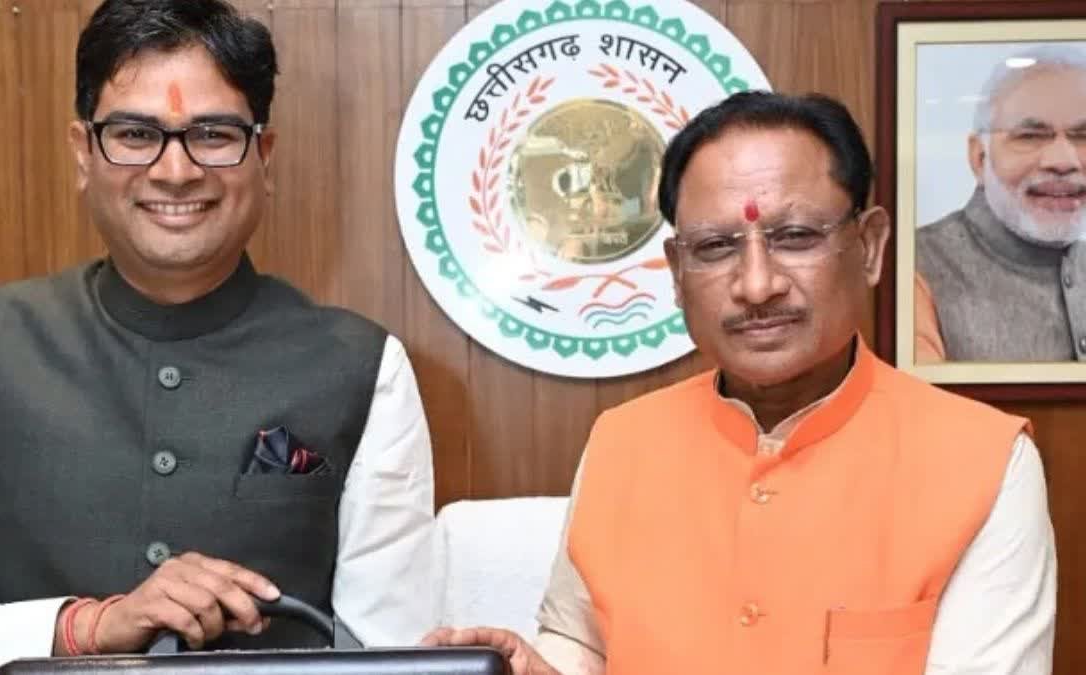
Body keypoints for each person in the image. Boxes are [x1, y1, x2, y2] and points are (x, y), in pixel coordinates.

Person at [423, 92, 1057, 674]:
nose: (757, 285)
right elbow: (583, 642)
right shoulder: (622, 441)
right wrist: (542, 669)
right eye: (717, 247)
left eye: (795, 237)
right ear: (677, 272)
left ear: (869, 247)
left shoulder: (983, 463)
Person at [0, 1, 439, 672]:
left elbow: (393, 657)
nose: (175, 171)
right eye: (134, 133)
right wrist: (85, 628)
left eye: (213, 133)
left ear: (264, 155)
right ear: (82, 153)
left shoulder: (365, 368)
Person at [915, 45, 1086, 363]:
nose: (1063, 161)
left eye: (1083, 136)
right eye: (1030, 136)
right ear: (979, 158)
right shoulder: (914, 265)